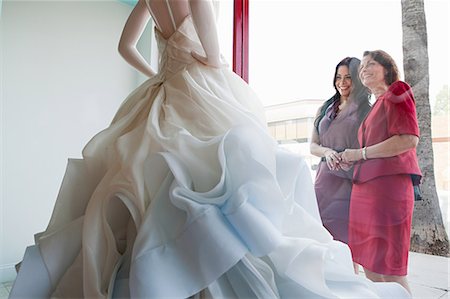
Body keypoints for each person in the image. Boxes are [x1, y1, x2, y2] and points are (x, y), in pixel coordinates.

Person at [10, 2, 411, 298]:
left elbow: (125, 46)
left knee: (145, 176)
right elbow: (216, 55)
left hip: (163, 91)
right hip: (201, 87)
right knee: (224, 173)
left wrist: (160, 76)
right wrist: (201, 67)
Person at [340, 50, 422, 294]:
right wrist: (351, 160)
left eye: (371, 63)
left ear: (387, 68)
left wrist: (360, 154)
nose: (364, 68)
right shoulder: (376, 106)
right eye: (362, 65)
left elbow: (408, 139)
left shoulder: (397, 91)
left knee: (391, 270)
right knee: (371, 266)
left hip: (388, 190)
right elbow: (371, 150)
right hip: (365, 191)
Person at [310, 57, 370, 245]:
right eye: (338, 77)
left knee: (347, 242)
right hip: (323, 182)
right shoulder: (325, 108)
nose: (342, 83)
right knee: (320, 238)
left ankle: (350, 275)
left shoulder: (367, 111)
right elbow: (313, 146)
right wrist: (327, 152)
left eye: (348, 77)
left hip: (350, 183)